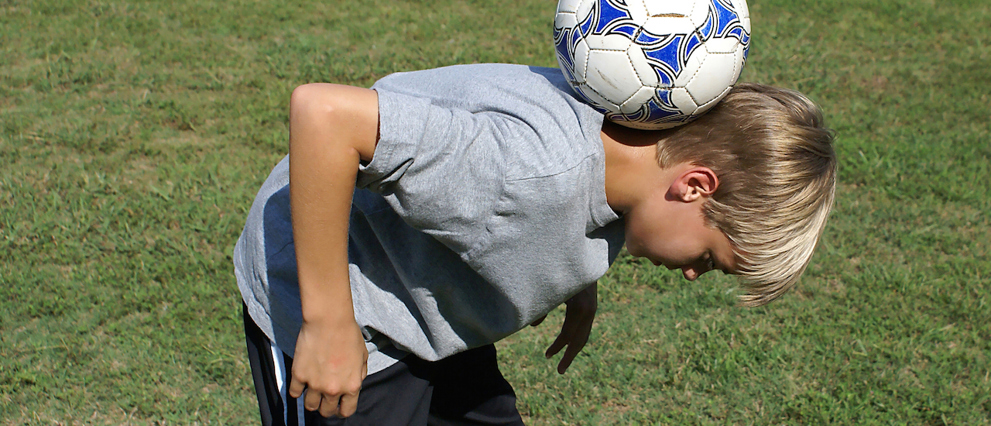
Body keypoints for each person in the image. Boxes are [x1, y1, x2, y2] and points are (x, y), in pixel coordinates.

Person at [232, 63, 836, 425]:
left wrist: (577, 281)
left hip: (434, 304)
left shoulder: (628, 156)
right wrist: (328, 321)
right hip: (348, 311)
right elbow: (324, 116)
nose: (693, 273)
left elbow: (575, 206)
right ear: (695, 184)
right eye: (709, 258)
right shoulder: (525, 169)